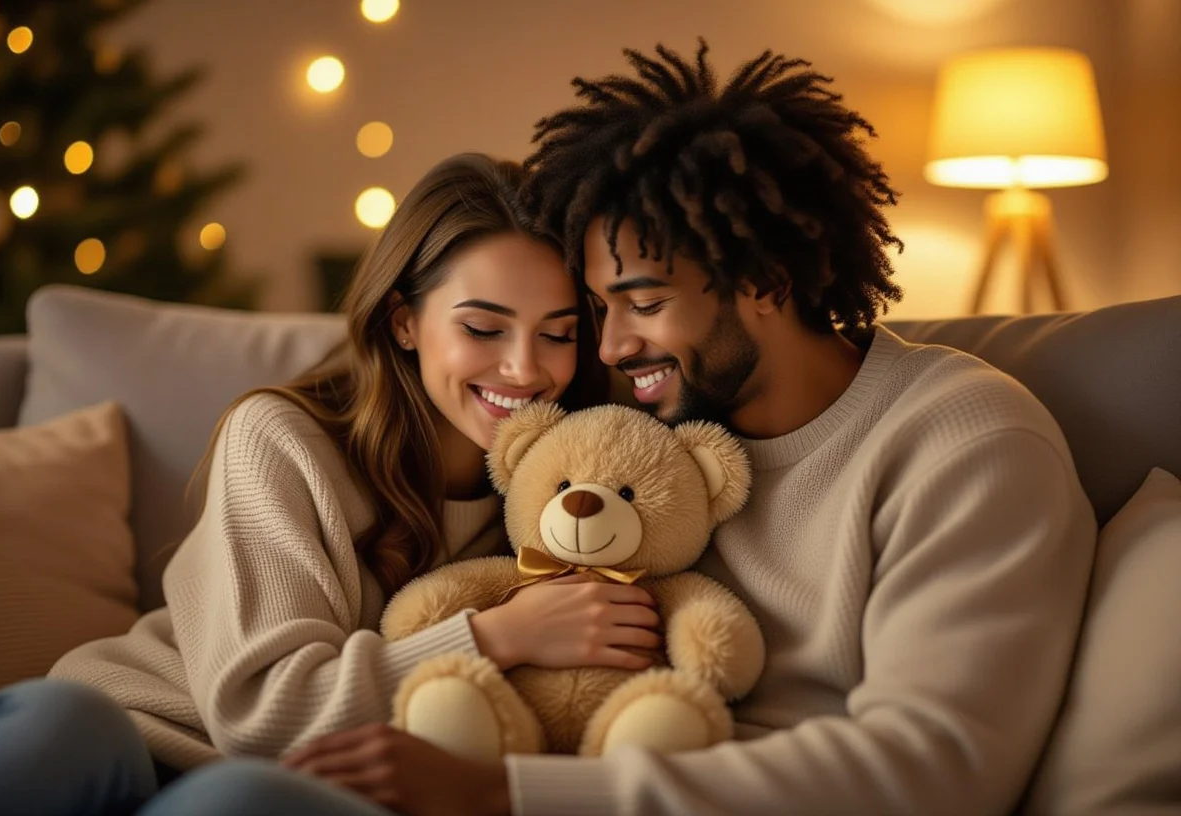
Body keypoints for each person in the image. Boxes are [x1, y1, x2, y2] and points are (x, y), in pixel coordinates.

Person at [243, 42, 1098, 816]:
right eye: (598, 310)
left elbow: (934, 767)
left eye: (644, 303)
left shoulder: (966, 441)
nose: (607, 347)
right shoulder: (641, 435)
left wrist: (509, 793)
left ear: (765, 280)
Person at [0, 153, 668, 816]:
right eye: (483, 328)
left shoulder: (580, 485)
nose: (524, 370)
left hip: (281, 793)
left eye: (557, 332)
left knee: (242, 800)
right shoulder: (285, 439)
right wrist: (499, 634)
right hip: (145, 728)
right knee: (64, 725)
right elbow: (261, 712)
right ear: (405, 322)